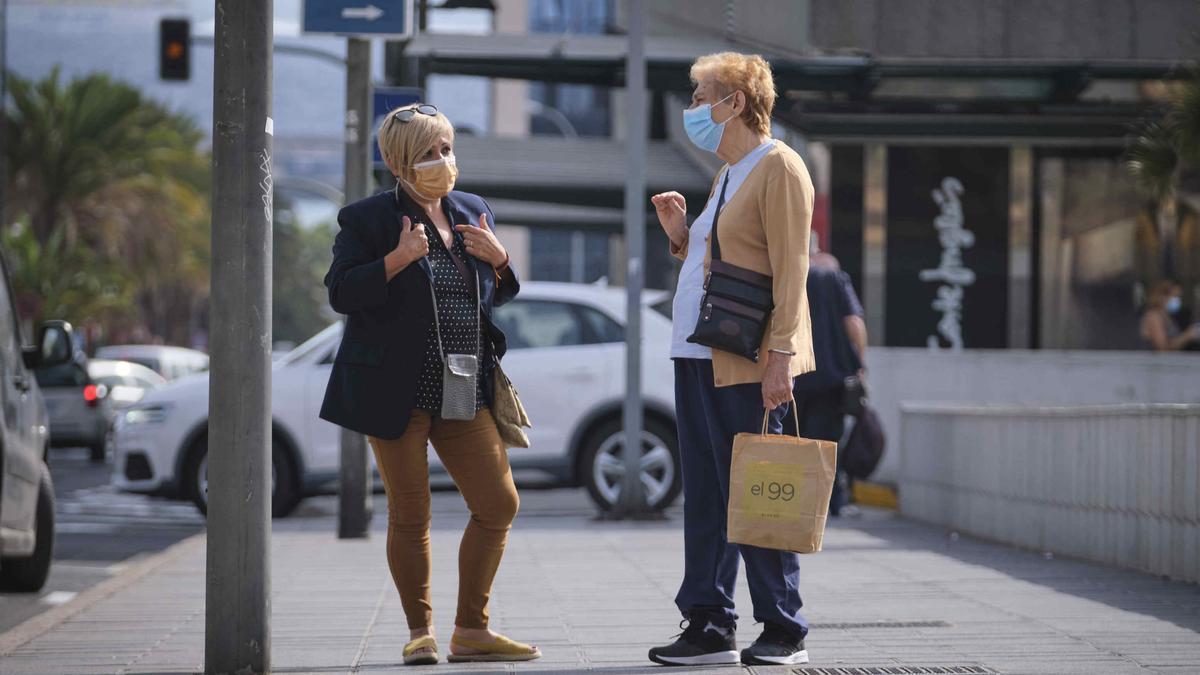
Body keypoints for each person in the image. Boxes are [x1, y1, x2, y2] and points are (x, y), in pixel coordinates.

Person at [319, 103, 539, 666]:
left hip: (463, 386)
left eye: (445, 149)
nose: (442, 162)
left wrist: (502, 260)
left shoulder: (472, 209)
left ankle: (472, 630)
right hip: (395, 390)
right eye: (427, 154)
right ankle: (421, 632)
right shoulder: (366, 220)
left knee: (498, 504)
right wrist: (396, 259)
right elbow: (341, 293)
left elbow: (497, 292)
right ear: (398, 165)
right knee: (410, 514)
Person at [649, 52, 815, 667]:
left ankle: (784, 626)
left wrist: (781, 358)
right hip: (698, 351)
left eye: (699, 98)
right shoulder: (726, 175)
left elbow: (791, 272)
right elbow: (720, 265)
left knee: (756, 488)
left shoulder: (781, 168)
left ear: (735, 103)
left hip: (748, 359)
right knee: (708, 493)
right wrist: (680, 233)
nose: (692, 109)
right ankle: (710, 622)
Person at [792, 235, 867, 517]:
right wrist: (859, 363)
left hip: (791, 375)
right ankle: (829, 503)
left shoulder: (783, 275)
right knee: (825, 444)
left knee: (791, 440)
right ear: (816, 250)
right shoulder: (833, 278)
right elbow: (854, 323)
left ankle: (793, 500)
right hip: (831, 378)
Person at [1141, 280, 1199, 351]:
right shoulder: (1153, 316)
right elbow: (1162, 347)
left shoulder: (1168, 317)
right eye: (1175, 296)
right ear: (1162, 297)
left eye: (1179, 297)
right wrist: (1187, 336)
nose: (1178, 300)